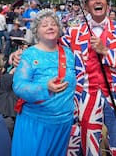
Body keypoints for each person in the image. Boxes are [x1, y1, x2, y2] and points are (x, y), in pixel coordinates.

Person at [61, 0, 116, 155]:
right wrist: (25, 54)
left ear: (107, 4)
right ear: (86, 5)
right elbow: (53, 53)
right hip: (86, 97)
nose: (97, 1)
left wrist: (106, 52)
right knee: (89, 150)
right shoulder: (73, 33)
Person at [12, 9, 76, 155]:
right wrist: (45, 87)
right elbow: (19, 86)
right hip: (35, 123)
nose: (50, 27)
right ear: (36, 31)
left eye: (53, 24)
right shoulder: (29, 54)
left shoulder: (69, 53)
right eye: (44, 25)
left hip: (63, 123)